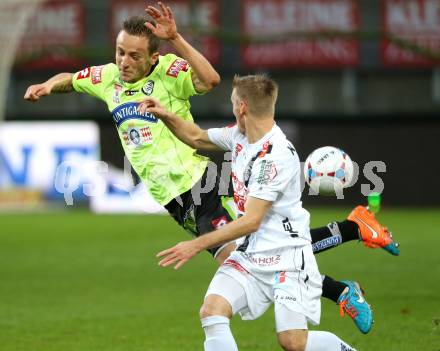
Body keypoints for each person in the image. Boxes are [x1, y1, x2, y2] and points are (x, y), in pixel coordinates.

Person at [24, 2, 398, 334]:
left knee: (252, 258)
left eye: (134, 55)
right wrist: (45, 84)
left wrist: (177, 39)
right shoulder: (107, 78)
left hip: (198, 185)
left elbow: (210, 80)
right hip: (175, 200)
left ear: (153, 57)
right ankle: (346, 265)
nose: (124, 61)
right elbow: (69, 80)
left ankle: (351, 237)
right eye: (121, 52)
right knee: (257, 258)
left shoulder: (168, 71)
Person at [151, 74, 359, 351]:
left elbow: (251, 221)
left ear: (242, 107)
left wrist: (196, 244)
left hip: (287, 259)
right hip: (250, 256)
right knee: (212, 311)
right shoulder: (239, 136)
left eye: (233, 102)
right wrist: (164, 114)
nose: (232, 107)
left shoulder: (274, 157)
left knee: (293, 343)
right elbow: (196, 137)